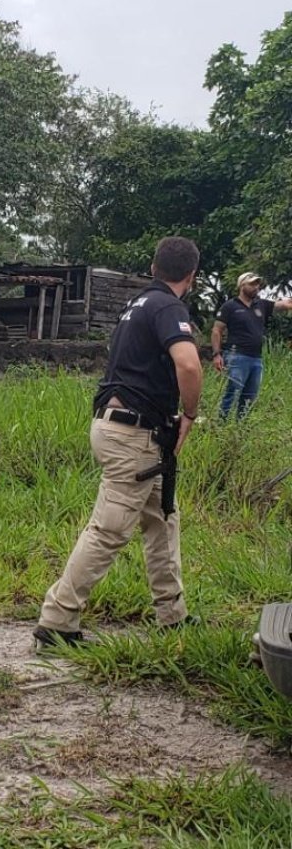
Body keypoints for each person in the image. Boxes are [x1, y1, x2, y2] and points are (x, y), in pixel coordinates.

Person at [35, 236, 203, 649]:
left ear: (152, 267)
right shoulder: (168, 307)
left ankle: (172, 614)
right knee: (110, 530)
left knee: (163, 518)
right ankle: (57, 621)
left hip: (127, 428)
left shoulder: (137, 305)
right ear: (192, 277)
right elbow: (188, 363)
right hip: (134, 435)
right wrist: (191, 415)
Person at [212, 272, 292, 420]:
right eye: (252, 284)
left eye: (257, 284)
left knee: (249, 396)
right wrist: (216, 354)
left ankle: (240, 428)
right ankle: (220, 424)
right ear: (242, 285)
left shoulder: (261, 305)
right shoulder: (230, 306)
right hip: (236, 356)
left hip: (256, 359)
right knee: (232, 392)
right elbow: (217, 330)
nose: (256, 287)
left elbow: (285, 304)